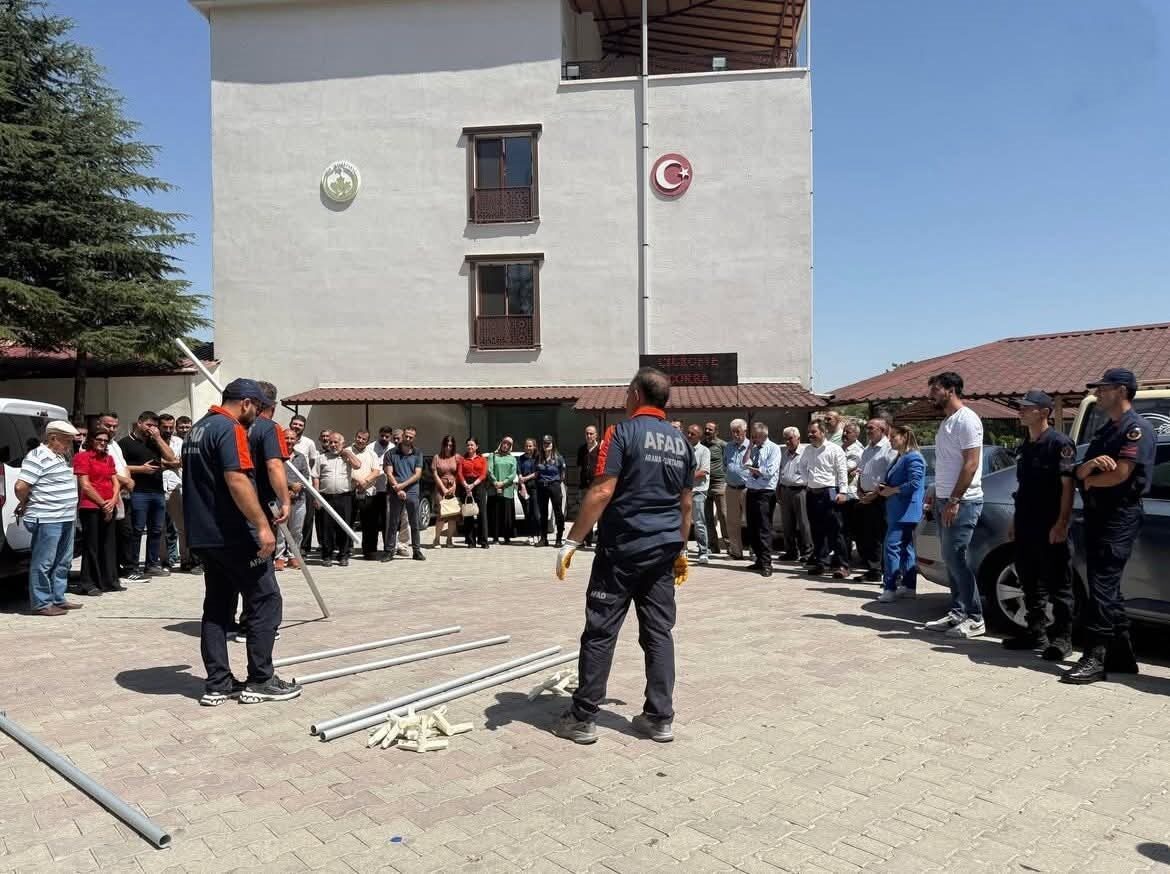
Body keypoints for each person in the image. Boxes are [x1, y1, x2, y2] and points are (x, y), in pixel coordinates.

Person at [552, 366, 694, 745]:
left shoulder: (621, 433)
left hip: (622, 551)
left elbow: (601, 492)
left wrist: (571, 542)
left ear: (635, 394)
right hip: (663, 551)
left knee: (600, 632)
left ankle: (583, 718)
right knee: (659, 632)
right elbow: (686, 506)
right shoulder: (682, 444)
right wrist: (680, 549)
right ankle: (659, 717)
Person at [183, 378, 300, 706]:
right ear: (246, 402)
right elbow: (236, 479)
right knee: (266, 599)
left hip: (205, 535)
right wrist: (262, 526)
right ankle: (261, 679)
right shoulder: (229, 428)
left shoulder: (197, 429)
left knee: (218, 606)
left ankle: (219, 683)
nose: (259, 415)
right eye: (258, 408)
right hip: (233, 533)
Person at [1063, 368, 1155, 684]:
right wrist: (1087, 469)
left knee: (1101, 586)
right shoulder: (1107, 430)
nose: (1098, 393)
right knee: (1107, 588)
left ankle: (1095, 657)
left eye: (1103, 388)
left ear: (1120, 390)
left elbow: (1120, 474)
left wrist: (1088, 483)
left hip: (1118, 516)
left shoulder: (1136, 430)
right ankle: (1123, 656)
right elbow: (1078, 469)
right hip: (1099, 516)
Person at [1000, 391, 1076, 655]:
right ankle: (1035, 633)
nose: (1020, 412)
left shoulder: (1060, 444)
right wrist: (1014, 520)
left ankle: (1062, 639)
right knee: (1030, 582)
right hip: (1026, 523)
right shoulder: (1026, 445)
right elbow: (1022, 488)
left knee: (1058, 584)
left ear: (1044, 412)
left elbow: (1068, 487)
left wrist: (1061, 523)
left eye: (1026, 408)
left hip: (1050, 523)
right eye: (1020, 408)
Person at [922, 372, 986, 639]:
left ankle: (976, 618)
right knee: (949, 560)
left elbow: (971, 463)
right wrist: (936, 490)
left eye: (935, 389)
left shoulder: (967, 420)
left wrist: (955, 499)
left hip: (962, 501)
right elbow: (948, 464)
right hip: (944, 499)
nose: (931, 395)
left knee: (957, 559)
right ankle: (958, 612)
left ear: (950, 390)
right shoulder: (947, 422)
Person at [15, 421, 83, 616]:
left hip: (65, 516)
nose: (69, 446)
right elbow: (20, 486)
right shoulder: (37, 457)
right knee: (44, 562)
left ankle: (58, 598)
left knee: (63, 561)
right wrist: (27, 502)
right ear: (53, 438)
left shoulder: (59, 456)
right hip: (47, 518)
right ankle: (41, 603)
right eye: (66, 441)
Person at [119, 411, 179, 581]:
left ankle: (152, 564)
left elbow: (171, 457)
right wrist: (141, 469)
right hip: (138, 492)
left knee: (157, 530)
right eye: (148, 425)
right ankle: (133, 565)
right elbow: (119, 467)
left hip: (157, 491)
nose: (151, 429)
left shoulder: (155, 442)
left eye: (154, 426)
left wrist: (158, 438)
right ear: (139, 423)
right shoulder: (125, 443)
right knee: (137, 530)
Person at [875, 425, 925, 603]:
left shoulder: (913, 457)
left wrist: (893, 490)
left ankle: (890, 587)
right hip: (898, 509)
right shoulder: (900, 457)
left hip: (905, 511)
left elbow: (914, 484)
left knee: (892, 547)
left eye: (893, 437)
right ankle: (909, 586)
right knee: (906, 548)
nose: (890, 440)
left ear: (904, 437)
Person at [73, 428, 123, 595]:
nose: (102, 442)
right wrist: (103, 504)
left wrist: (114, 500)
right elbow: (85, 486)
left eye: (105, 440)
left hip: (109, 505)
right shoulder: (82, 457)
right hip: (91, 507)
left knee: (109, 545)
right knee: (92, 545)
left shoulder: (108, 459)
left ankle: (109, 581)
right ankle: (88, 583)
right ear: (91, 440)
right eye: (99, 439)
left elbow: (115, 482)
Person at [799, 420, 850, 577]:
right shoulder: (807, 450)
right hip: (812, 493)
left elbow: (842, 471)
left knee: (836, 530)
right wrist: (808, 481)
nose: (810, 435)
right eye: (809, 432)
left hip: (831, 491)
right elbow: (802, 467)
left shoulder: (834, 449)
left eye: (813, 432)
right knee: (817, 530)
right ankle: (822, 562)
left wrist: (843, 491)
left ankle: (842, 565)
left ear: (823, 432)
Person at [855, 419, 897, 582]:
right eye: (867, 428)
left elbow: (891, 475)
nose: (868, 431)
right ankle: (873, 570)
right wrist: (860, 488)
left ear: (882, 430)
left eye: (871, 428)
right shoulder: (867, 449)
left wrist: (875, 493)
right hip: (866, 497)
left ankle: (889, 572)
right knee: (869, 536)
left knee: (883, 535)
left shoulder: (889, 448)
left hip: (881, 498)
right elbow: (862, 471)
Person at [313, 431, 360, 567]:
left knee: (344, 527)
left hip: (344, 497)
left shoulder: (347, 457)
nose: (333, 445)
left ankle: (343, 555)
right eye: (330, 442)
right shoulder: (321, 458)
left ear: (342, 444)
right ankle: (327, 555)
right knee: (326, 527)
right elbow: (316, 477)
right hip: (326, 497)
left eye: (336, 442)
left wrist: (347, 453)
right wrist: (316, 496)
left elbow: (357, 465)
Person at [743, 422, 781, 577]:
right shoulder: (754, 448)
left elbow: (769, 471)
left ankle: (767, 563)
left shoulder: (773, 448)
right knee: (752, 528)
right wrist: (750, 447)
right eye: (752, 436)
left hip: (765, 492)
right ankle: (758, 559)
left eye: (755, 437)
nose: (753, 439)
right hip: (752, 490)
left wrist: (755, 470)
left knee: (764, 528)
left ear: (763, 435)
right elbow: (744, 463)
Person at [383, 427, 426, 561]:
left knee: (414, 522)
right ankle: (389, 551)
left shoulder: (418, 453)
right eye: (406, 436)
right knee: (393, 522)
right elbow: (389, 473)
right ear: (402, 436)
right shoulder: (391, 453)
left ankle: (416, 551)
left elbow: (417, 474)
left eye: (411, 437)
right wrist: (398, 489)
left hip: (412, 491)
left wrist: (402, 486)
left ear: (414, 438)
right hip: (395, 491)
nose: (408, 439)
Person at [275, 429, 313, 569]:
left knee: (296, 530)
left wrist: (297, 489)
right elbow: (273, 477)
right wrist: (289, 487)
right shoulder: (276, 457)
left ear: (296, 440)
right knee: (281, 529)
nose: (289, 441)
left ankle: (293, 556)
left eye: (292, 438)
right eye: (286, 438)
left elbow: (306, 476)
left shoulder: (301, 457)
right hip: (280, 498)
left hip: (299, 499)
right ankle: (279, 557)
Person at [777, 426, 812, 562]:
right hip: (785, 490)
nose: (787, 442)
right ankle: (791, 551)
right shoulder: (784, 454)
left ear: (798, 438)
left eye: (790, 438)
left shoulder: (805, 454)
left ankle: (808, 552)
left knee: (804, 523)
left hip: (800, 491)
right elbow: (781, 473)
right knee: (787, 524)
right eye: (785, 439)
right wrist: (778, 489)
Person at [360, 426, 394, 558]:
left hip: (387, 490)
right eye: (382, 436)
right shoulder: (370, 448)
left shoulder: (392, 448)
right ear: (379, 435)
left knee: (387, 521)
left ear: (390, 436)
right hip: (372, 489)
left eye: (387, 436)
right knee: (370, 522)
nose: (384, 439)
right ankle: (369, 550)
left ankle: (388, 548)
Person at [288, 414, 318, 555]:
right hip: (284, 487)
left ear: (304, 427)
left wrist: (299, 485)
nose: (297, 426)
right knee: (284, 523)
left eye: (300, 425)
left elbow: (310, 463)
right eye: (295, 423)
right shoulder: (283, 438)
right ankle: (282, 554)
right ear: (290, 424)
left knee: (302, 522)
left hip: (303, 487)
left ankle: (302, 549)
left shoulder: (309, 443)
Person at [348, 430, 379, 559]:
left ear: (367, 441)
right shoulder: (347, 451)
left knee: (369, 524)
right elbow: (343, 470)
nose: (360, 440)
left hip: (368, 491)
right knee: (348, 521)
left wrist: (365, 482)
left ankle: (369, 551)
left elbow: (376, 471)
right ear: (355, 437)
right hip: (350, 491)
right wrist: (356, 481)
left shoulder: (371, 453)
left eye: (363, 439)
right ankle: (346, 549)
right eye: (358, 437)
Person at [159, 413, 184, 570]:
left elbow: (180, 462)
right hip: (158, 487)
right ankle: (164, 560)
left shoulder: (179, 441)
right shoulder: (153, 442)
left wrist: (165, 463)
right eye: (165, 427)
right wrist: (172, 463)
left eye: (171, 427)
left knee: (181, 527)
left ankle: (186, 560)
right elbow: (154, 463)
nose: (168, 430)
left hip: (176, 487)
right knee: (160, 528)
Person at [721, 419, 749, 560]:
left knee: (751, 521)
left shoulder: (752, 446)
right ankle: (736, 552)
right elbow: (725, 464)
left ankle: (755, 552)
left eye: (738, 431)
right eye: (733, 432)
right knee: (732, 522)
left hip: (747, 489)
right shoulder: (728, 447)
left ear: (745, 431)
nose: (735, 434)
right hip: (731, 488)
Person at [839, 421, 864, 569]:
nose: (844, 434)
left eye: (848, 432)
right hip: (843, 492)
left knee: (853, 529)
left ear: (856, 434)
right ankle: (844, 556)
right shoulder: (842, 448)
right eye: (844, 431)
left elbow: (845, 469)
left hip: (852, 494)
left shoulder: (857, 450)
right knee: (843, 528)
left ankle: (859, 558)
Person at [535, 435, 567, 548]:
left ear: (553, 444)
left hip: (554, 486)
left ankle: (559, 539)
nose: (546, 445)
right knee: (543, 514)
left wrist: (556, 483)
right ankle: (543, 539)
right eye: (544, 443)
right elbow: (536, 472)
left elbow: (562, 474)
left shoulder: (558, 458)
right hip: (542, 487)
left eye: (548, 443)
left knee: (558, 512)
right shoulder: (539, 457)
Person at [685, 424, 711, 564]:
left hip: (698, 491)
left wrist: (685, 477)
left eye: (692, 434)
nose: (688, 436)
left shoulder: (704, 451)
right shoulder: (683, 449)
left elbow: (703, 472)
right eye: (688, 433)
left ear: (699, 436)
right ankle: (683, 550)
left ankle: (703, 552)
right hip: (684, 491)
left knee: (699, 523)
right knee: (684, 522)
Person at [457, 438, 489, 548]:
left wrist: (473, 484)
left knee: (482, 514)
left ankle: (483, 540)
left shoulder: (482, 459)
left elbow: (484, 474)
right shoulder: (462, 459)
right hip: (466, 485)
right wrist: (466, 485)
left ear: (477, 446)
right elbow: (460, 473)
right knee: (469, 513)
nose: (470, 447)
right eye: (468, 445)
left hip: (478, 485)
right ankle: (471, 541)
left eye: (472, 445)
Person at [701, 422, 727, 555]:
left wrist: (726, 478)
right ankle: (713, 546)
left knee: (723, 515)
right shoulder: (702, 444)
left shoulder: (722, 445)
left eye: (710, 429)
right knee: (708, 516)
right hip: (705, 483)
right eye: (705, 429)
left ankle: (728, 545)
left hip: (719, 483)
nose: (706, 431)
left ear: (716, 431)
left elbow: (728, 461)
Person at [431, 435, 460, 548]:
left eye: (451, 445)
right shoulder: (437, 457)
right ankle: (437, 539)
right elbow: (434, 474)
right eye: (446, 445)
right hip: (440, 488)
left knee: (452, 515)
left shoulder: (456, 457)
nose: (448, 447)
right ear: (443, 445)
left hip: (453, 488)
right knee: (441, 514)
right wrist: (443, 488)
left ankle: (449, 539)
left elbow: (459, 473)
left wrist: (455, 486)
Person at [488, 436, 518, 545]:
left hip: (507, 490)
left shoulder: (512, 458)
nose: (506, 445)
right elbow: (489, 470)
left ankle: (506, 537)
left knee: (507, 516)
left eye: (508, 444)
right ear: (501, 444)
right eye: (504, 443)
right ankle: (495, 538)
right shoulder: (493, 456)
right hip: (494, 489)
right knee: (495, 515)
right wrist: (496, 482)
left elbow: (513, 474)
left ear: (510, 446)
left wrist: (503, 483)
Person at [576, 426, 601, 547]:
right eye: (587, 434)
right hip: (584, 487)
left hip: (597, 487)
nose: (589, 436)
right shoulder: (581, 449)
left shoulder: (601, 449)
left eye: (591, 434)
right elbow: (579, 467)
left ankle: (601, 539)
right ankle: (586, 539)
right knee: (585, 514)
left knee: (599, 513)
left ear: (596, 435)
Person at [517, 437, 541, 546]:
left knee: (535, 513)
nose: (528, 448)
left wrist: (526, 478)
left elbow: (537, 473)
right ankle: (530, 535)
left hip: (535, 488)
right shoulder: (521, 458)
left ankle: (537, 534)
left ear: (534, 446)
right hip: (523, 488)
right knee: (527, 513)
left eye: (530, 446)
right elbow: (519, 473)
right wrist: (522, 486)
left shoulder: (538, 458)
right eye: (526, 446)